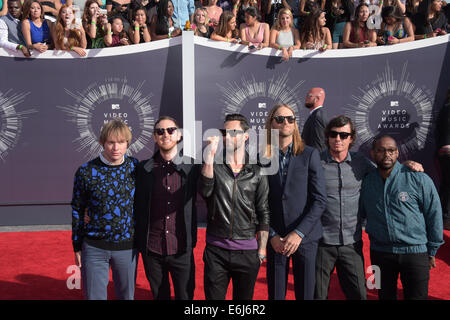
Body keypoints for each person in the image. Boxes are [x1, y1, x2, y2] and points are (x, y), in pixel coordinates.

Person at [360, 135, 444, 300]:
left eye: (391, 150)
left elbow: (434, 214)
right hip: (379, 253)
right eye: (381, 150)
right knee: (383, 296)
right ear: (372, 153)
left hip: (415, 253)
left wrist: (432, 249)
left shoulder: (418, 178)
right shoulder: (367, 181)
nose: (387, 155)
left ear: (397, 153)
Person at [199, 113, 270, 300]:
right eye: (225, 132)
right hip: (216, 250)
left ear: (246, 136)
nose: (227, 136)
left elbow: (263, 210)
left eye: (234, 132)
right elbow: (205, 192)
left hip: (247, 251)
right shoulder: (214, 164)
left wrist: (261, 250)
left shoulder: (257, 169)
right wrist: (210, 156)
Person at [263, 104, 327, 300]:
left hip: (305, 239)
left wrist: (298, 233)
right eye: (280, 119)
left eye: (290, 119)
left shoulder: (309, 154)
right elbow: (259, 202)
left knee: (306, 295)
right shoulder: (261, 157)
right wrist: (272, 235)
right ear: (271, 124)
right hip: (276, 241)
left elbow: (319, 200)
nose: (286, 123)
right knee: (276, 295)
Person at [71, 119, 139, 300]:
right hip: (94, 247)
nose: (116, 147)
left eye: (121, 142)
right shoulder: (86, 171)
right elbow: (77, 209)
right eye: (111, 142)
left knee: (127, 297)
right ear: (102, 142)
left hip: (127, 247)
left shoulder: (136, 168)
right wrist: (76, 246)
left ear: (127, 143)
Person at [134, 116, 200, 300]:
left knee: (186, 298)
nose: (165, 134)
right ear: (155, 137)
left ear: (178, 135)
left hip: (182, 248)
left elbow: (211, 192)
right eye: (160, 131)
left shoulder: (192, 166)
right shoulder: (143, 169)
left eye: (170, 130)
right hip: (152, 249)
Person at [315, 116, 374, 300]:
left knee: (359, 295)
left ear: (351, 138)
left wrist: (406, 167)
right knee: (317, 295)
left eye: (343, 134)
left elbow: (385, 173)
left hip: (352, 243)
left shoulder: (361, 162)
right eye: (333, 134)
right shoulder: (315, 161)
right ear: (327, 137)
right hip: (321, 244)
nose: (338, 139)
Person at [436, 89, 450, 230]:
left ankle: (443, 217)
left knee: (446, 184)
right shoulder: (447, 109)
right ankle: (445, 218)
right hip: (447, 150)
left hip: (443, 151)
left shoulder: (444, 108)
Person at [301, 87, 328, 153]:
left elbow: (318, 144)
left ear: (317, 99)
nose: (306, 98)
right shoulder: (315, 115)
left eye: (309, 96)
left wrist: (315, 161)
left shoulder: (317, 116)